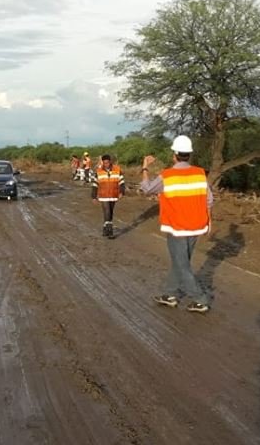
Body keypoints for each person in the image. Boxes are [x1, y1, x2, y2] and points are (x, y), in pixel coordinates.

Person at [139, 135, 212, 314]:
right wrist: (209, 221)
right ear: (189, 154)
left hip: (177, 227)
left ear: (175, 155)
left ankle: (200, 299)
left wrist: (145, 168)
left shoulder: (168, 175)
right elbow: (209, 200)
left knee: (182, 264)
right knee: (180, 262)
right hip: (197, 225)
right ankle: (169, 295)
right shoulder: (199, 173)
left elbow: (147, 189)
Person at [91, 154, 125, 238]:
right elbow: (95, 184)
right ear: (102, 162)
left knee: (110, 212)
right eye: (104, 163)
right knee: (107, 210)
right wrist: (94, 196)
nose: (106, 164)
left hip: (114, 194)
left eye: (107, 162)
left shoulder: (117, 169)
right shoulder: (99, 171)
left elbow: (121, 182)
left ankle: (105, 228)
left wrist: (121, 192)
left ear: (110, 162)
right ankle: (110, 231)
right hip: (103, 195)